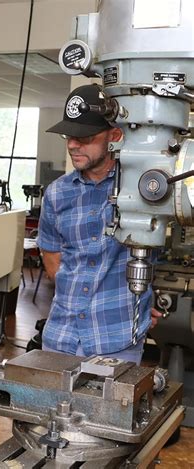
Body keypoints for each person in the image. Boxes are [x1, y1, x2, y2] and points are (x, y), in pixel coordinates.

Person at [37, 84, 162, 365]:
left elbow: (159, 253)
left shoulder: (144, 190)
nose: (72, 144)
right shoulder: (57, 193)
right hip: (60, 337)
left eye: (85, 137)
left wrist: (144, 300)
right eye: (69, 136)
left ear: (114, 136)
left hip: (116, 341)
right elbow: (52, 261)